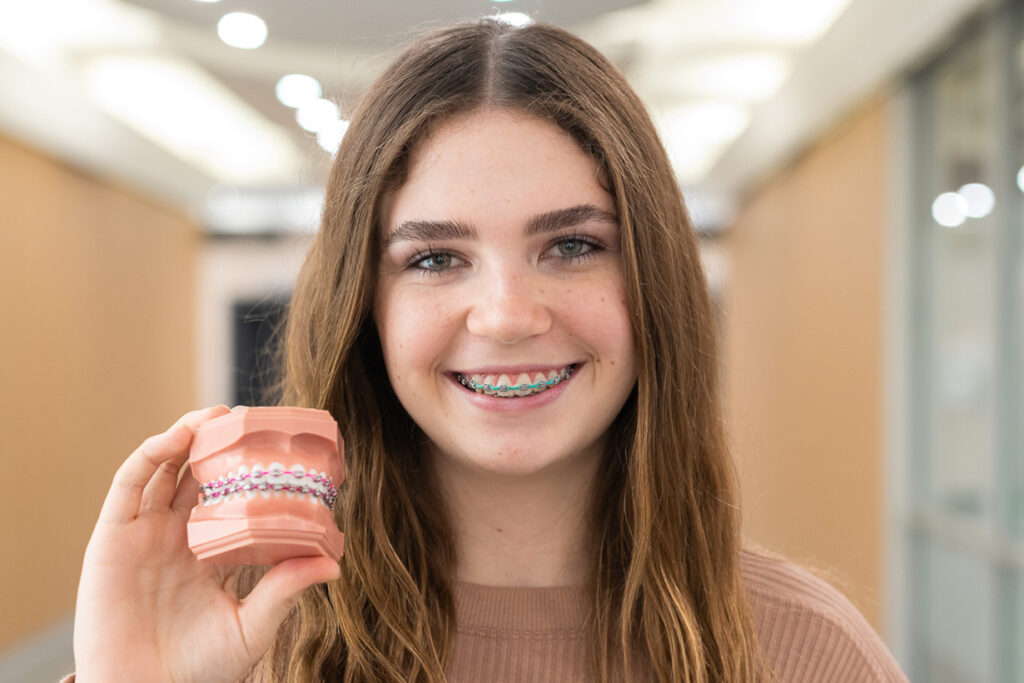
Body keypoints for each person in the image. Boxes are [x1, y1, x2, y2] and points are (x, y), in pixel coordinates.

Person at [68, 18, 908, 683]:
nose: (506, 315)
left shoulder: (811, 650)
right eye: (435, 259)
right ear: (366, 305)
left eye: (573, 245)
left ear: (653, 276)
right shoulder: (242, 639)